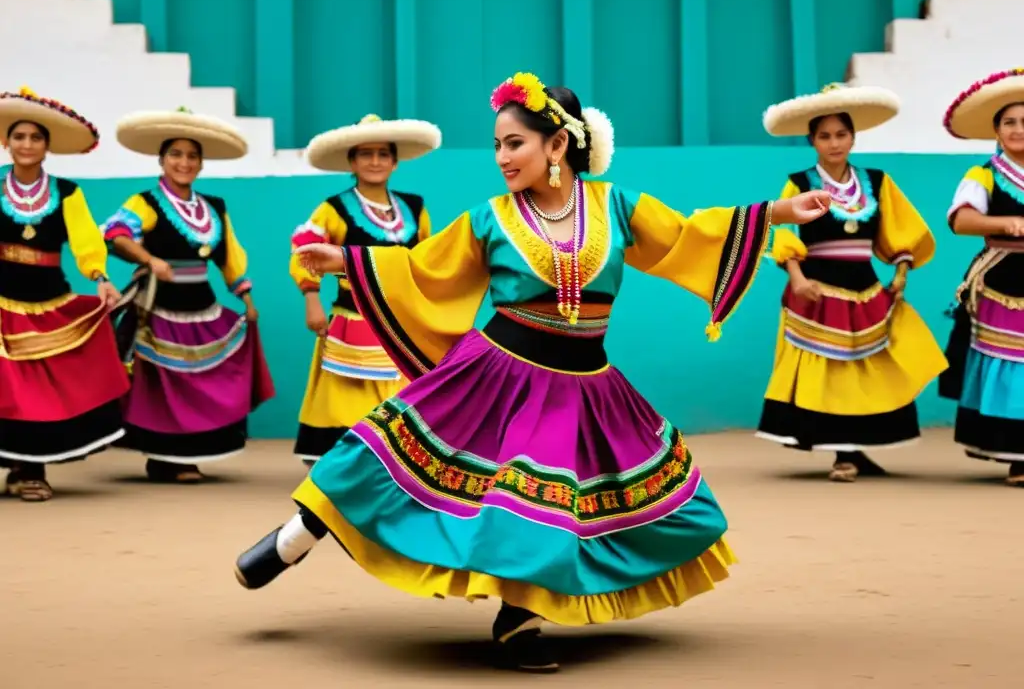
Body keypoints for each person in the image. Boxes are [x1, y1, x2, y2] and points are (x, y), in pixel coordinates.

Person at [233, 72, 830, 673]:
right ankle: (296, 537)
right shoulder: (490, 219)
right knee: (376, 456)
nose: (501, 157)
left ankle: (519, 617)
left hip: (586, 386)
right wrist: (345, 259)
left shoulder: (615, 206)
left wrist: (780, 211)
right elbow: (423, 270)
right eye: (497, 145)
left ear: (557, 145)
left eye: (513, 143)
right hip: (496, 377)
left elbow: (687, 234)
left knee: (627, 508)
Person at [755, 83, 948, 482]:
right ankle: (842, 453)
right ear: (811, 141)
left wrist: (900, 271)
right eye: (824, 136)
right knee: (828, 370)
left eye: (841, 134)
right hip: (817, 287)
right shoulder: (799, 183)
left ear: (853, 137)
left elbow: (899, 232)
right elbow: (784, 237)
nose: (834, 143)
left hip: (864, 285)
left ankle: (858, 449)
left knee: (867, 367)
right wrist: (798, 277)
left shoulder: (877, 182)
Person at [102, 107, 275, 483]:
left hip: (201, 303)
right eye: (175, 154)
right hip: (158, 306)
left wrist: (246, 299)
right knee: (164, 384)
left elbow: (229, 255)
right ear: (161, 160)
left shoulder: (214, 207)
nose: (184, 162)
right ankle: (168, 458)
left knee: (201, 380)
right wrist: (150, 259)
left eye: (192, 155)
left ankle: (189, 453)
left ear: (201, 163)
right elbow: (115, 234)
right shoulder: (144, 202)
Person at [0, 86, 127, 501]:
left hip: (49, 303)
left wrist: (101, 277)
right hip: (1, 302)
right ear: (6, 142)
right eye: (19, 136)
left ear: (47, 146)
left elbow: (87, 242)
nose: (27, 144)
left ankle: (30, 470)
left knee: (36, 393)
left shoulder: (68, 193)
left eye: (36, 138)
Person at [290, 113, 439, 465]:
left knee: (399, 396)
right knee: (342, 395)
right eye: (366, 154)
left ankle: (388, 464)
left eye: (383, 154)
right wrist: (311, 295)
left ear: (395, 161)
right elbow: (304, 249)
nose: (375, 161)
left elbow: (427, 260)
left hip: (399, 321)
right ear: (352, 161)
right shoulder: (335, 209)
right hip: (351, 320)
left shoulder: (415, 208)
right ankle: (334, 464)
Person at [940, 68, 1024, 487]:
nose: (1018, 129)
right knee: (1009, 361)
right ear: (996, 129)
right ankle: (1017, 453)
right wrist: (1006, 222)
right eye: (1009, 121)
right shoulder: (984, 174)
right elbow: (962, 220)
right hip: (1002, 277)